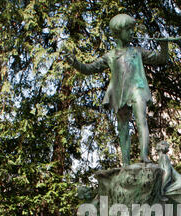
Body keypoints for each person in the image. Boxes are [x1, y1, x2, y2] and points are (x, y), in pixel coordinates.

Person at [63, 13, 169, 165]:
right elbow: (88, 69)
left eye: (132, 29)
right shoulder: (110, 56)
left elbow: (161, 59)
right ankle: (125, 164)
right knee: (123, 128)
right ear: (118, 32)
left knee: (141, 121)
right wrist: (75, 63)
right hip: (120, 94)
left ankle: (144, 156)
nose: (132, 33)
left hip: (137, 89)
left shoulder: (137, 52)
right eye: (129, 29)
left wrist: (164, 45)